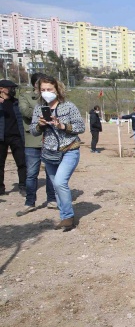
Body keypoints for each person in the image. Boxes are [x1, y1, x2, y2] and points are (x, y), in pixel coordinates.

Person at [31, 75, 85, 231]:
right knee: (56, 185)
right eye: (43, 90)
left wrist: (62, 125)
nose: (46, 92)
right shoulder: (38, 108)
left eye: (50, 89)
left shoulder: (68, 106)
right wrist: (40, 125)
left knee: (60, 182)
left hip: (69, 149)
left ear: (57, 89)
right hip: (49, 153)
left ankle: (68, 217)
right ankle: (64, 216)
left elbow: (80, 127)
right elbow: (34, 131)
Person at [16, 73, 57, 216]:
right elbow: (25, 111)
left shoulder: (53, 97)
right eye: (42, 84)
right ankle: (30, 202)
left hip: (50, 139)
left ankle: (52, 200)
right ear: (36, 85)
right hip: (32, 140)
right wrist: (43, 113)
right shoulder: (25, 97)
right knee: (32, 174)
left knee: (51, 173)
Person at [0, 79, 27, 196]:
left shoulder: (16, 102)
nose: (13, 90)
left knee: (21, 163)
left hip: (16, 137)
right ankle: (1, 188)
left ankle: (23, 186)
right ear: (1, 89)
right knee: (0, 164)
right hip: (1, 138)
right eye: (10, 88)